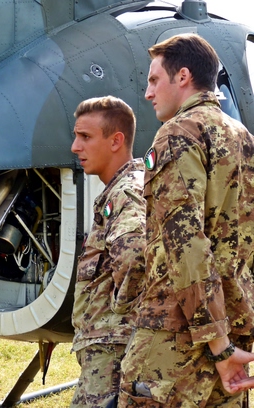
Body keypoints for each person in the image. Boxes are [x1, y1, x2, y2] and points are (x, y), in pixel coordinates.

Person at [119, 33, 254, 407]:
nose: (148, 92)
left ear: (182, 76)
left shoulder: (179, 132)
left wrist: (218, 344)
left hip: (180, 339)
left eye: (154, 80)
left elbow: (185, 243)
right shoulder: (242, 136)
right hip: (234, 330)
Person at [69, 96, 146, 407]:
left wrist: (120, 308)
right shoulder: (120, 189)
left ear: (116, 141)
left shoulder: (126, 191)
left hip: (113, 350)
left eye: (85, 137)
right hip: (108, 347)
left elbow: (135, 255)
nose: (75, 147)